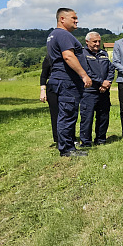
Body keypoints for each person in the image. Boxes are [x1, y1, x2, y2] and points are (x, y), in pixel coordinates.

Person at [45, 8, 93, 157]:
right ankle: (67, 149)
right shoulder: (64, 34)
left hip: (59, 79)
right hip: (66, 81)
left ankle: (67, 145)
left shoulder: (53, 35)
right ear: (62, 19)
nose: (76, 20)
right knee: (67, 114)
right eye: (73, 18)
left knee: (65, 114)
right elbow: (68, 56)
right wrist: (84, 75)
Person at [78, 32, 116, 146]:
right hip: (89, 91)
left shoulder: (103, 53)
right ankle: (86, 142)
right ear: (87, 42)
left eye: (99, 41)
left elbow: (111, 68)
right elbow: (86, 71)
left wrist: (108, 82)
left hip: (104, 91)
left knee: (103, 116)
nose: (97, 44)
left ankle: (101, 139)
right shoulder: (82, 54)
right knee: (87, 117)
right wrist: (101, 81)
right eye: (94, 41)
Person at [39, 54, 60, 146]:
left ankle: (71, 137)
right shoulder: (49, 57)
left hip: (68, 87)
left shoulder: (70, 55)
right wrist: (43, 91)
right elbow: (43, 75)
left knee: (69, 113)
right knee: (55, 114)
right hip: (52, 88)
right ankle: (58, 138)